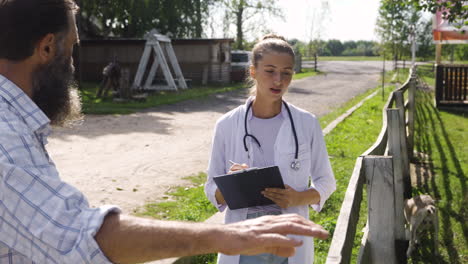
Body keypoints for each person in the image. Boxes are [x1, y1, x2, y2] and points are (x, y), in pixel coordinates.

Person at [0, 1, 331, 264]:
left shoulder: (20, 126)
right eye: (71, 49)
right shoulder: (5, 136)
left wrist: (299, 198)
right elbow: (77, 238)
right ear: (46, 48)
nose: (73, 65)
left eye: (286, 73)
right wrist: (222, 235)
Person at [205, 34, 336, 264]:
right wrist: (234, 183)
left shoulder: (306, 123)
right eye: (270, 70)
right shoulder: (227, 125)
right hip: (244, 238)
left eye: (286, 72)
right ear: (253, 71)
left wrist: (297, 197)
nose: (279, 80)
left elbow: (326, 182)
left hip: (290, 236)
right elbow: (211, 188)